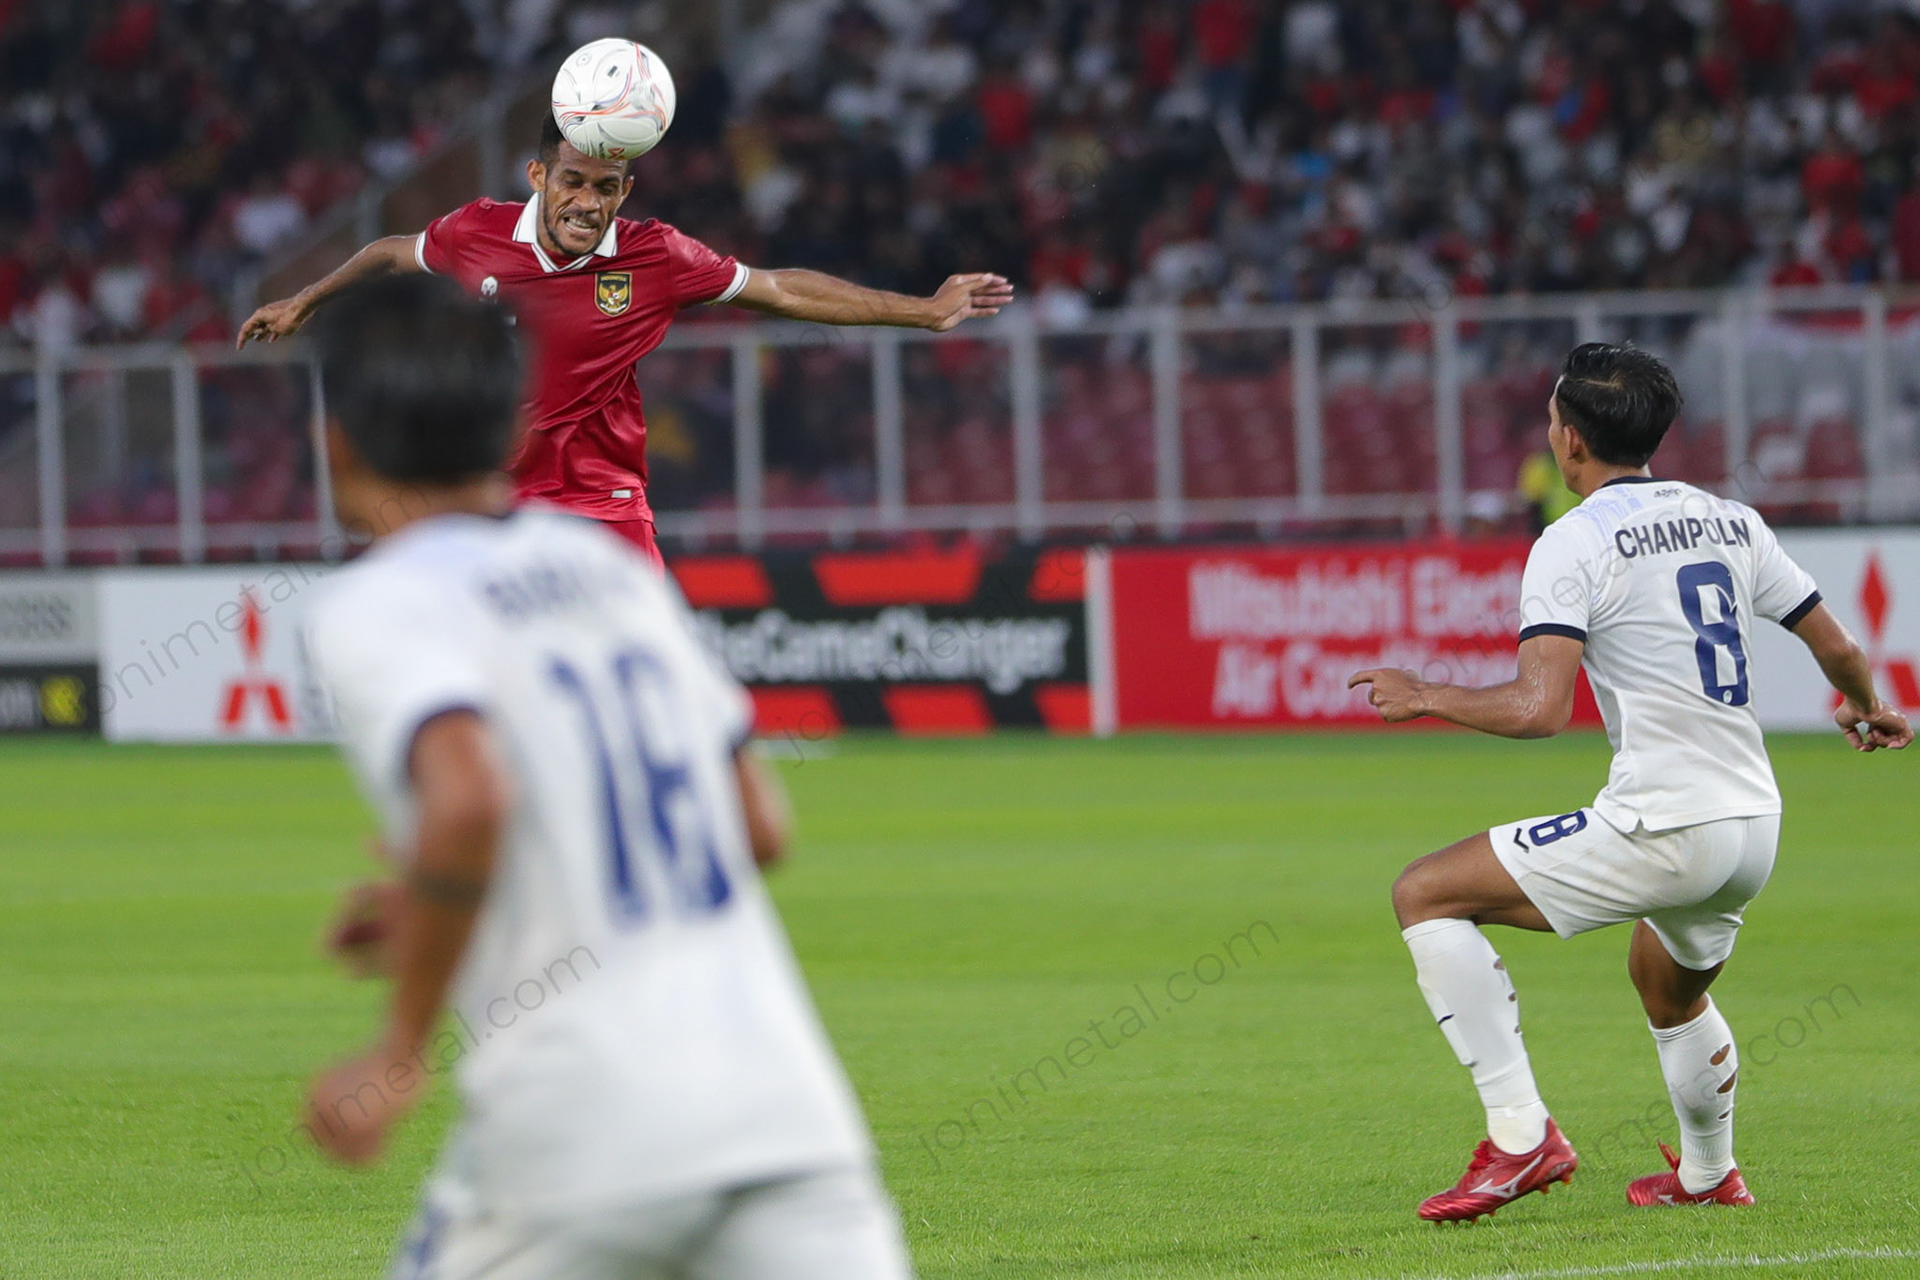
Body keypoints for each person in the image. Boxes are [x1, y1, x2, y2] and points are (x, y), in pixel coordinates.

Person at [299, 274, 913, 1280]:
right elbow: (758, 824)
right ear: (510, 428)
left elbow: (466, 800)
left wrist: (399, 1046)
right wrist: (458, 892)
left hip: (578, 1134)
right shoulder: (609, 570)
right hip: (788, 1117)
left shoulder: (379, 600)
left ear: (339, 442)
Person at [1349, 342, 1911, 1223]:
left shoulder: (1572, 541)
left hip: (1666, 823)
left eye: (1550, 422)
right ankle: (1708, 1175)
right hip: (1753, 825)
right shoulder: (1730, 519)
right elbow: (1836, 644)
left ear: (1569, 441)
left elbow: (1541, 709)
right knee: (1667, 983)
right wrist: (1865, 703)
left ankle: (1520, 1138)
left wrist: (1426, 695)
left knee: (1425, 894)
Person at [238, 116, 1014, 567]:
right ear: (540, 175)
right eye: (573, 181)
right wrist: (306, 300)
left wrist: (923, 309)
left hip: (604, 504)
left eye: (606, 189)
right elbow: (390, 250)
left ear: (626, 192)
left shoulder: (657, 255)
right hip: (490, 503)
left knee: (645, 690)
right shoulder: (474, 232)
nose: (588, 201)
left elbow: (778, 288)